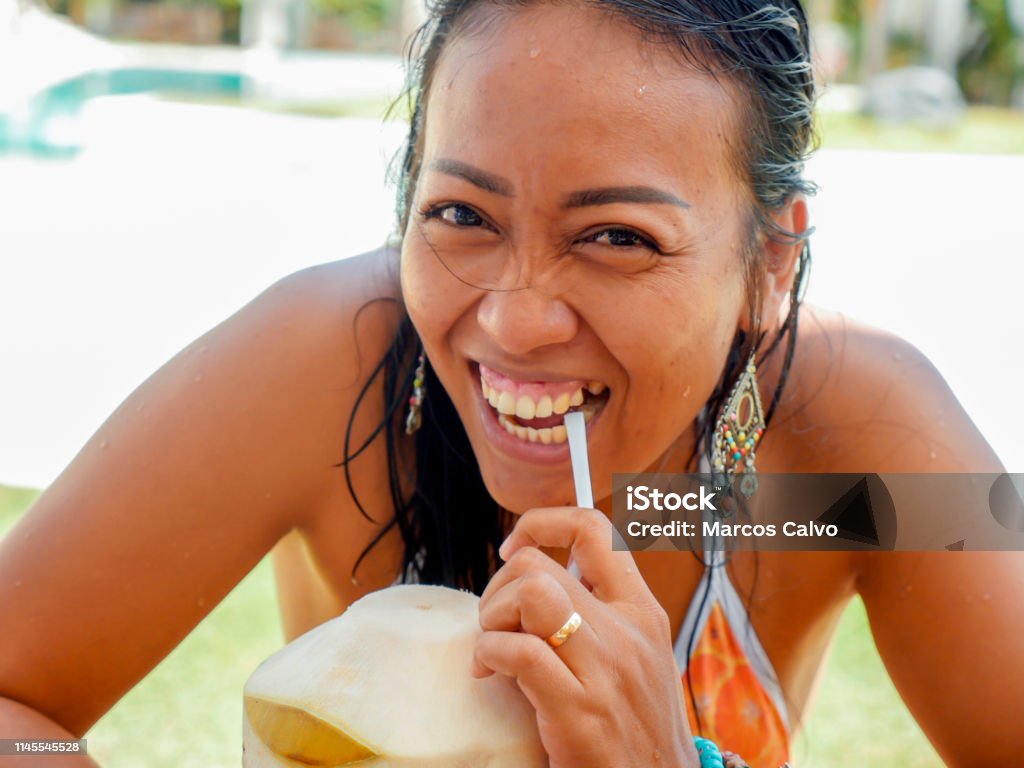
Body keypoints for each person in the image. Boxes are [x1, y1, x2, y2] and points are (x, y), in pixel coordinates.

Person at [1, 0, 1020, 766]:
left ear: (769, 264)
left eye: (618, 236)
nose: (514, 317)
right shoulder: (327, 360)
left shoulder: (852, 451)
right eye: (461, 215)